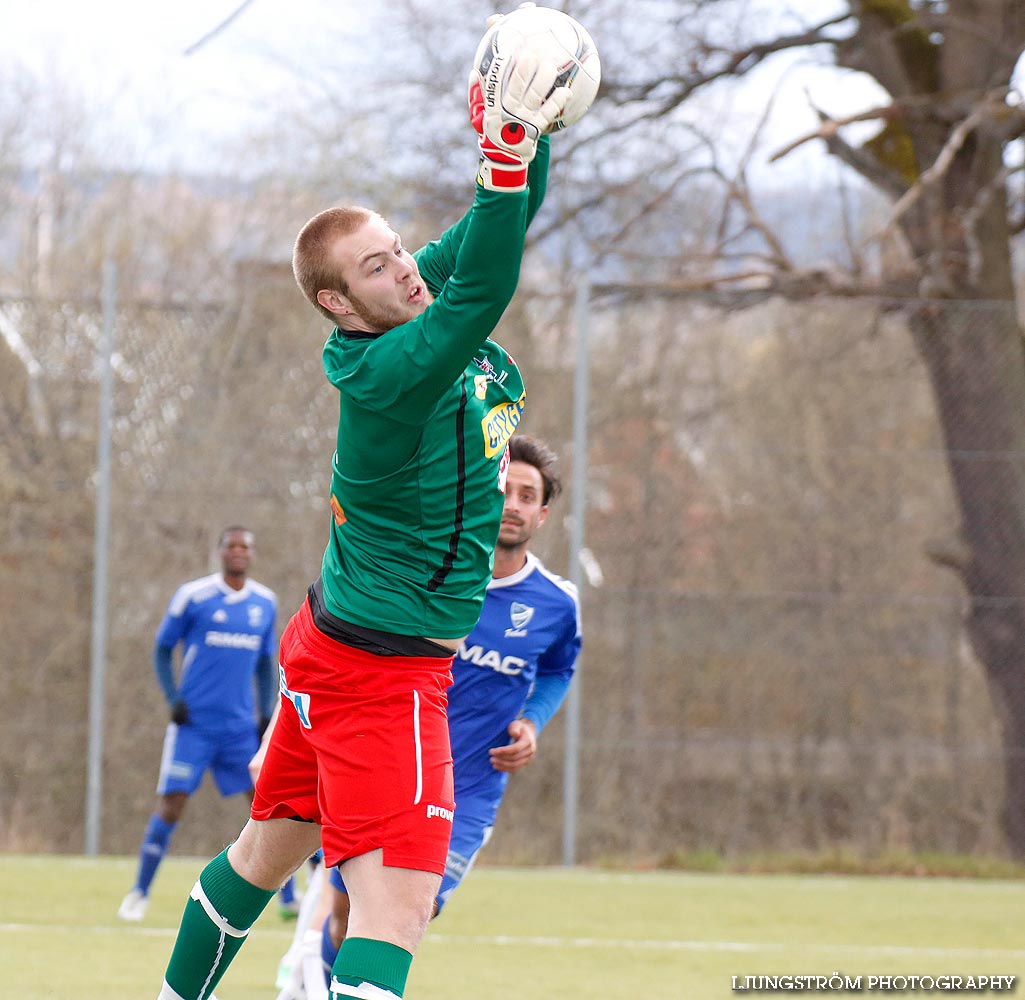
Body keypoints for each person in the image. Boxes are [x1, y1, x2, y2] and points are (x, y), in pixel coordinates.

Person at [154, 32, 571, 1000]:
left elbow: (487, 233)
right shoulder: (389, 368)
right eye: (378, 269)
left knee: (265, 851)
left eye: (397, 250)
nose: (405, 270)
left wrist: (522, 138)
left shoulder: (404, 310)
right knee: (396, 910)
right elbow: (486, 282)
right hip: (385, 672)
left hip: (332, 647)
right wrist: (504, 160)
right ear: (339, 305)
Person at [272, 434, 582, 1000]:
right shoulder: (435, 577)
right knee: (347, 913)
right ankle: (308, 974)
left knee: (407, 912)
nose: (512, 502)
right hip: (389, 768)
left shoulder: (557, 602)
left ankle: (318, 979)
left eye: (527, 494)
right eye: (505, 488)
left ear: (542, 513)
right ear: (486, 491)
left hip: (471, 790)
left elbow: (560, 668)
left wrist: (533, 720)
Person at [118, 526, 278, 922]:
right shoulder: (194, 596)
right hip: (194, 726)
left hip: (240, 728)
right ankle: (139, 892)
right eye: (231, 546)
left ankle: (287, 896)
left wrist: (265, 714)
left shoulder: (265, 602)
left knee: (268, 805)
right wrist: (173, 700)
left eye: (245, 546)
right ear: (220, 552)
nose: (238, 552)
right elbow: (161, 648)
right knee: (172, 805)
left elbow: (265, 663)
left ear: (252, 554)